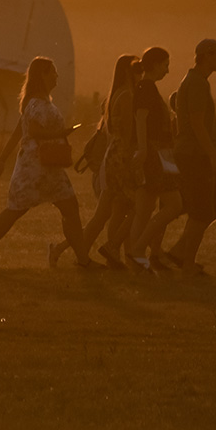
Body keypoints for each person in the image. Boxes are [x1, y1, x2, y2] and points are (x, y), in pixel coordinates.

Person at [0, 56, 95, 270]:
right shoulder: (38, 104)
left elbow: (19, 131)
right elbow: (34, 131)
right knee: (16, 210)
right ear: (42, 76)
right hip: (36, 169)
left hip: (48, 168)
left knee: (69, 209)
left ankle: (83, 260)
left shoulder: (37, 102)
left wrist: (1, 160)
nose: (56, 75)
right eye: (52, 71)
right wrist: (61, 133)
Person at [166, 38, 216, 274]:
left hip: (196, 153)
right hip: (195, 155)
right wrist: (213, 156)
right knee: (201, 211)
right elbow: (196, 123)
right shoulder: (196, 84)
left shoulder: (198, 81)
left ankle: (178, 252)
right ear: (207, 56)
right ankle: (188, 264)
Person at [80, 55, 139, 269]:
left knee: (111, 211)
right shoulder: (127, 96)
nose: (141, 73)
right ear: (128, 71)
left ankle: (86, 253)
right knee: (137, 205)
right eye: (137, 69)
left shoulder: (116, 94)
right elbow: (130, 133)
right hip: (122, 156)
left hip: (113, 155)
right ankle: (112, 249)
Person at [125, 46, 179, 272]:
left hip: (154, 152)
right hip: (155, 154)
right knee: (175, 204)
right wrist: (144, 150)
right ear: (155, 64)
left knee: (145, 208)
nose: (167, 70)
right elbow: (140, 118)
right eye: (165, 65)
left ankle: (135, 259)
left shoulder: (145, 87)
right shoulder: (146, 87)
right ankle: (138, 249)